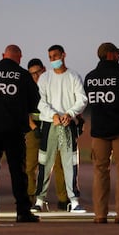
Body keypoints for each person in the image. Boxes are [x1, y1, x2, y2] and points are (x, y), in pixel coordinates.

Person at [0, 44, 40, 223]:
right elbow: (35, 101)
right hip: (14, 130)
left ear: (3, 55)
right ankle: (22, 212)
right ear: (20, 57)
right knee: (18, 172)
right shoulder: (23, 75)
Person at [84, 43, 119, 224]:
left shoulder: (90, 78)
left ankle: (100, 215)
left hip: (98, 131)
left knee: (100, 172)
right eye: (117, 53)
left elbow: (87, 105)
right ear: (109, 55)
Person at [33, 44, 88, 213]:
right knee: (44, 162)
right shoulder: (44, 78)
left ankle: (74, 201)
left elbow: (82, 99)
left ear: (63, 55)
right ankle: (39, 201)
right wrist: (53, 115)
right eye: (50, 57)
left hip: (67, 124)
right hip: (50, 125)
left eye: (56, 56)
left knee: (70, 163)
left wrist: (70, 113)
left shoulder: (73, 76)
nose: (53, 60)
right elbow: (41, 102)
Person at [26, 58, 69, 211]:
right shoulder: (28, 88)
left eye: (38, 72)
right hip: (34, 130)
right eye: (32, 74)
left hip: (53, 127)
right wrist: (33, 127)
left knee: (59, 164)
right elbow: (23, 110)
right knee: (30, 165)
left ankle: (64, 200)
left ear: (44, 69)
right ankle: (31, 198)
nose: (36, 76)